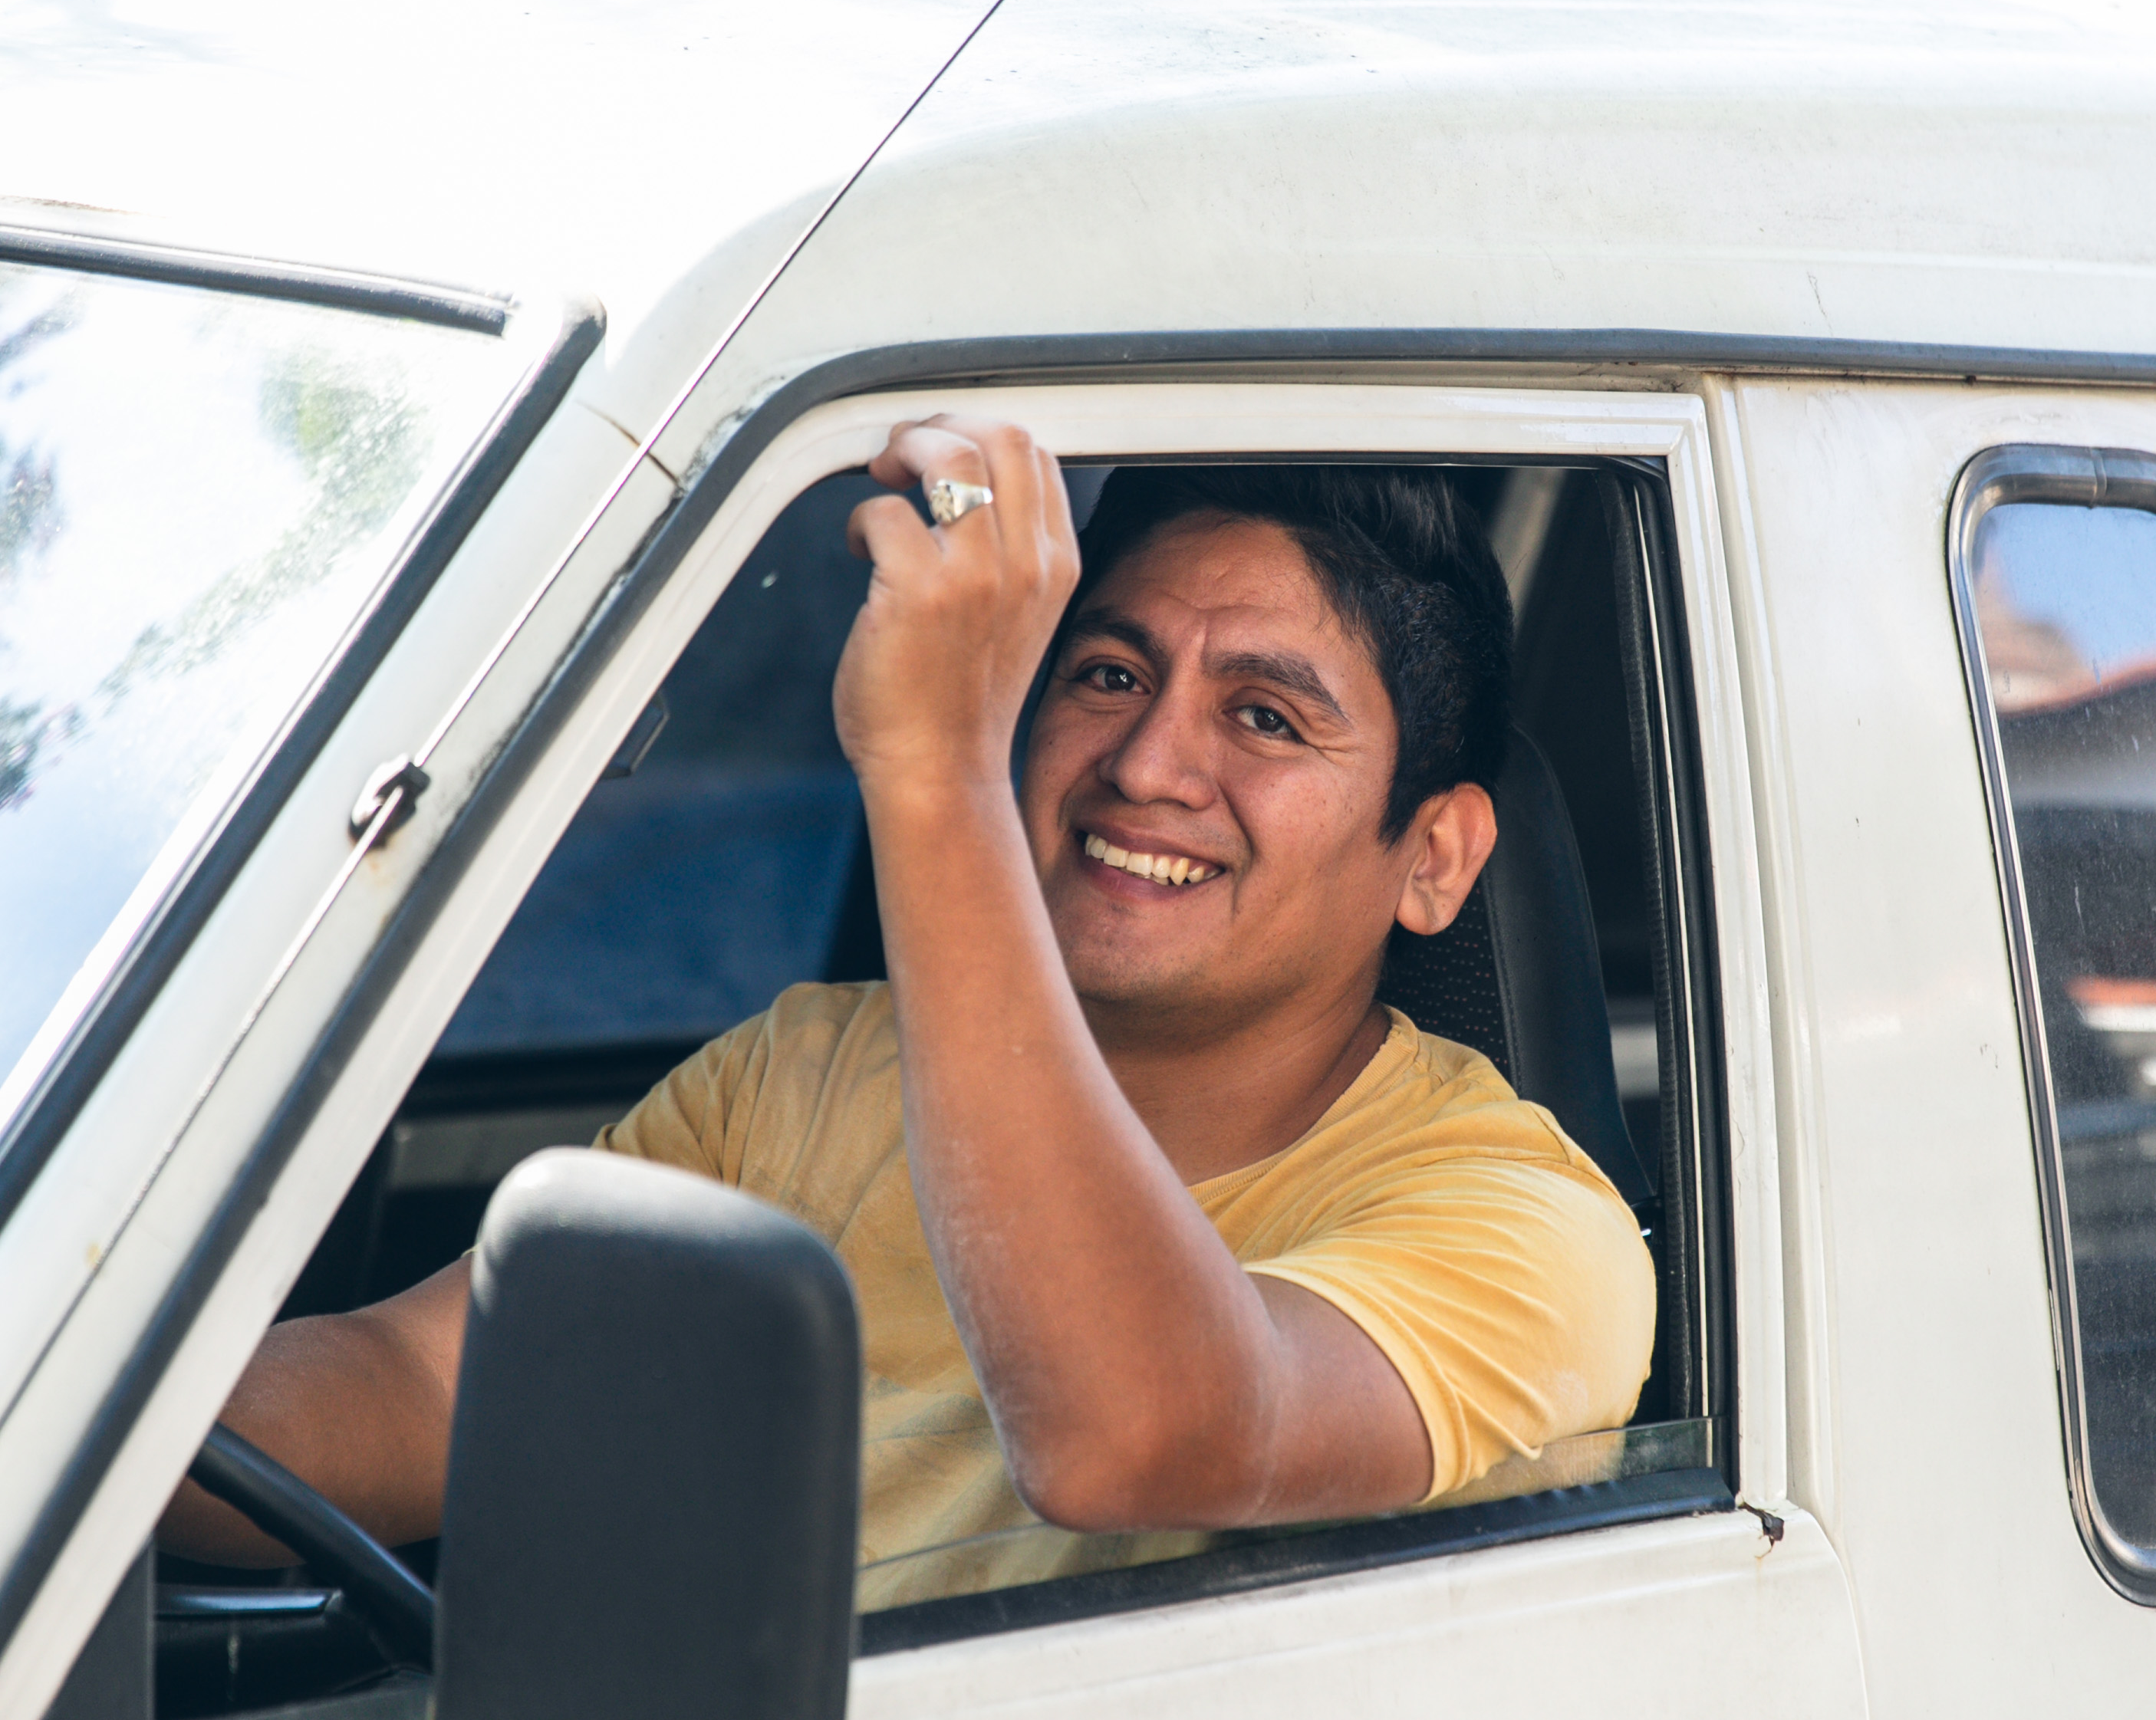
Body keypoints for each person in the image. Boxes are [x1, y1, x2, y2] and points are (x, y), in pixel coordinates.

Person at [171, 423, 1657, 1603]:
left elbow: (1139, 1436)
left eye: (1264, 717)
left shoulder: (1523, 1229)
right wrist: (74, 1429)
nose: (1146, 764)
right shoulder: (813, 1070)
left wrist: (933, 770)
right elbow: (431, 1386)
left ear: (1438, 855)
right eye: (1105, 673)